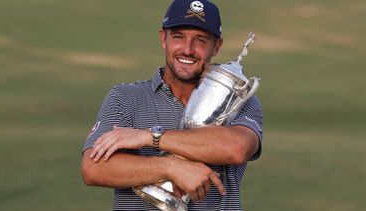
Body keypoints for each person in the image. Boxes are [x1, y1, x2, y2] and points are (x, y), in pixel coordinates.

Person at [81, 0, 263, 210]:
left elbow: (236, 148)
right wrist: (170, 167)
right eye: (178, 37)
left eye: (200, 40)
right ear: (163, 39)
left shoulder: (239, 100)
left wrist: (150, 137)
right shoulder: (126, 97)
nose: (187, 49)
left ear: (217, 46)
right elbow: (93, 168)